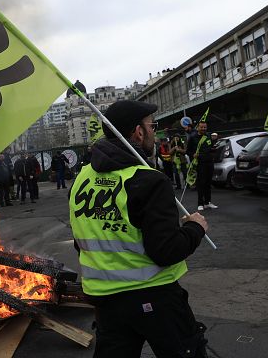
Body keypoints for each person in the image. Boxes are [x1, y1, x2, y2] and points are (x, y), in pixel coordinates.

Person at [69, 100, 210, 358]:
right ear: (138, 132)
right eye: (152, 126)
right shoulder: (149, 180)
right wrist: (194, 228)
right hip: (155, 296)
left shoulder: (82, 178)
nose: (154, 132)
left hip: (105, 301)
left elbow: (82, 239)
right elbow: (166, 251)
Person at [187, 122, 218, 211]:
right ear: (198, 128)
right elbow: (188, 151)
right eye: (202, 127)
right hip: (200, 164)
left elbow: (211, 148)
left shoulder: (208, 136)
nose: (203, 129)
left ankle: (208, 202)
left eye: (205, 127)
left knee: (208, 183)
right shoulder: (193, 137)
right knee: (201, 183)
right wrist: (193, 155)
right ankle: (200, 203)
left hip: (209, 162)